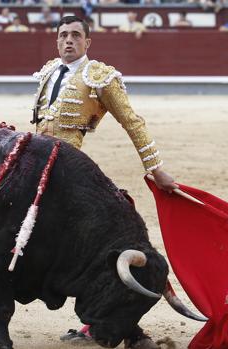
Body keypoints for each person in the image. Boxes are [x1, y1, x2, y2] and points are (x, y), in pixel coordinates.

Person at [31, 15, 177, 345]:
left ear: (87, 42)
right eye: (63, 35)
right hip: (38, 167)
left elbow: (133, 122)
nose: (68, 40)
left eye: (75, 35)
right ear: (57, 40)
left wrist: (156, 169)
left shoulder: (99, 77)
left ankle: (120, 321)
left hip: (71, 171)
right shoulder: (49, 71)